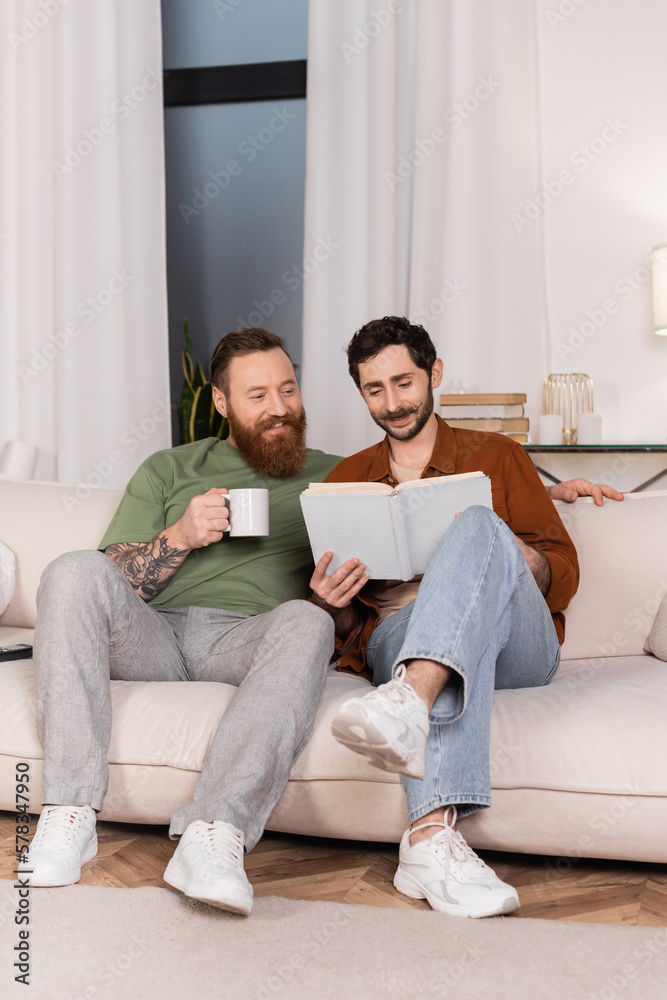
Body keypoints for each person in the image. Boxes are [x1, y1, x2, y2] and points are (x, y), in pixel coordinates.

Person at [310, 315, 622, 919]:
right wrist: (333, 603)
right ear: (361, 394)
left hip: (518, 640)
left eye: (404, 382)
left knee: (479, 524)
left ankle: (406, 702)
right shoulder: (345, 478)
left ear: (435, 373)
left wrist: (504, 553)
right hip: (398, 635)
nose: (393, 402)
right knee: (446, 646)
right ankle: (429, 843)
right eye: (375, 390)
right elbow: (350, 633)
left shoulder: (499, 456)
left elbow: (563, 569)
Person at [22, 328, 340, 916]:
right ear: (220, 403)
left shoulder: (341, 474)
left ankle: (213, 834)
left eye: (288, 390)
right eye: (258, 395)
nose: (279, 409)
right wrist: (179, 537)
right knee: (71, 569)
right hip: (155, 632)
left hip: (248, 636)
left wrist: (332, 599)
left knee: (308, 621)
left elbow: (400, 542)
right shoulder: (169, 468)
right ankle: (69, 812)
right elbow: (109, 576)